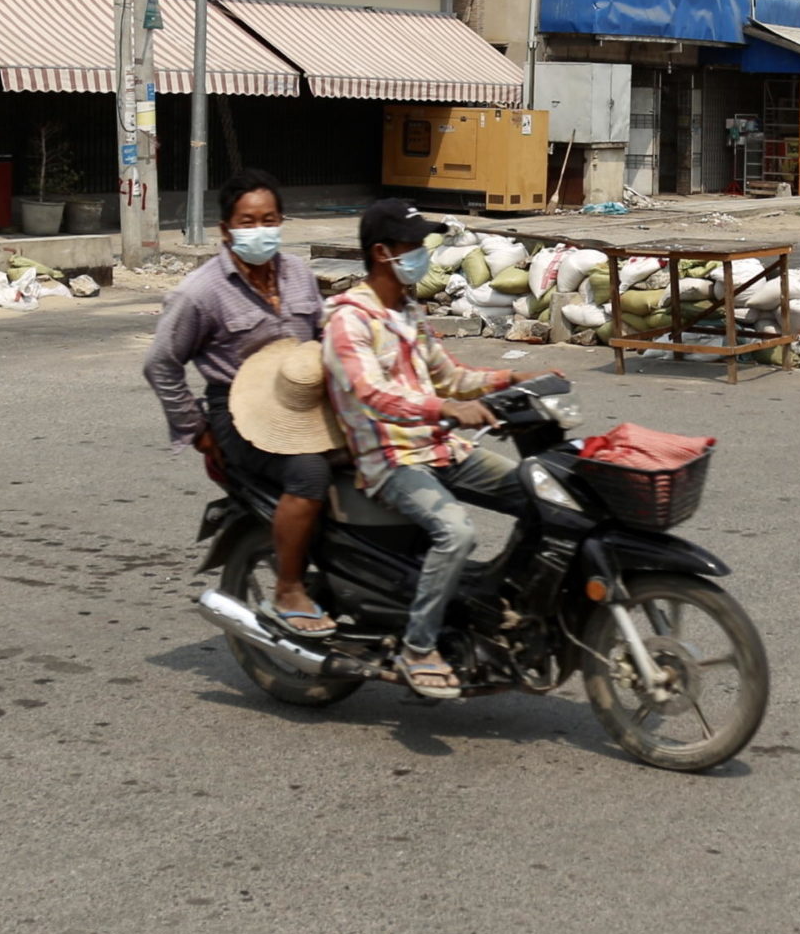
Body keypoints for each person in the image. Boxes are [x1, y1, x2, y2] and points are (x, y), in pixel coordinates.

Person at [321, 200, 532, 699]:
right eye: (413, 247)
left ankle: (498, 606)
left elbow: (451, 377)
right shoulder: (347, 320)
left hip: (440, 445)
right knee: (456, 534)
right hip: (390, 458)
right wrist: (444, 410)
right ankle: (418, 647)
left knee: (541, 492)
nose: (423, 256)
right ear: (382, 252)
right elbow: (371, 394)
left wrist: (513, 380)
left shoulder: (409, 311)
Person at [142, 167, 335, 637]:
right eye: (247, 222)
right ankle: (288, 588)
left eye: (269, 219)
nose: (259, 230)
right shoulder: (200, 291)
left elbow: (324, 334)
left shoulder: (299, 274)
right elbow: (161, 364)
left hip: (305, 401)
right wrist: (198, 431)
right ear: (226, 230)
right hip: (240, 413)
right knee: (309, 471)